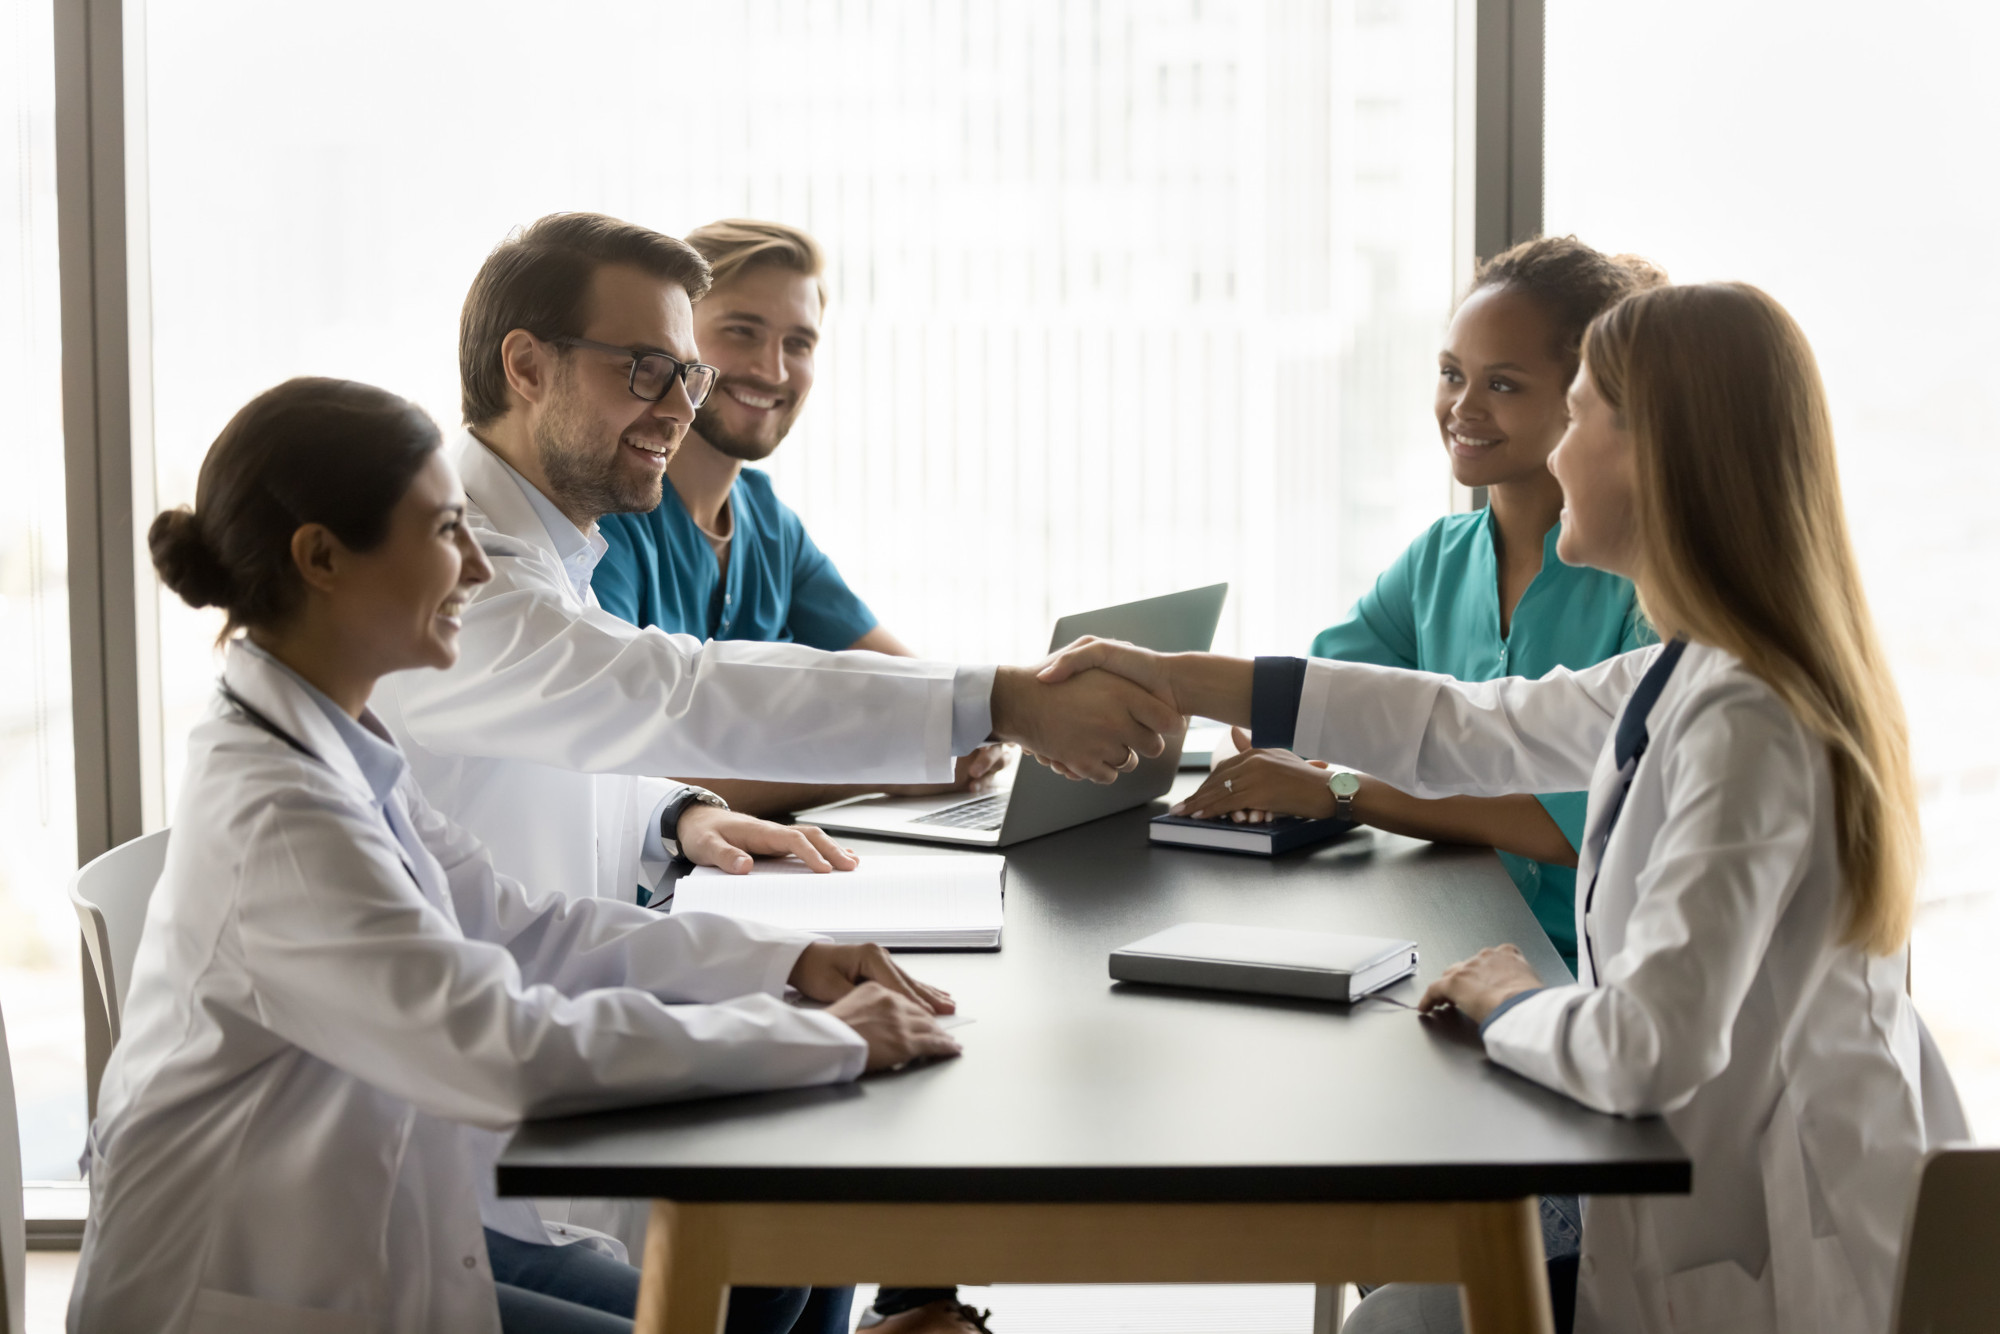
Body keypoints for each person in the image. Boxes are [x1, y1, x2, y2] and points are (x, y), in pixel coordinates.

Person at [1038, 283, 1967, 1334]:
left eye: (1577, 417)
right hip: (1706, 1215)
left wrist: (1506, 998)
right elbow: (1463, 725)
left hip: (1777, 1266)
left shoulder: (1746, 720)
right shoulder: (1688, 673)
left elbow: (1646, 1045)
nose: (1555, 454)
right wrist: (1177, 676)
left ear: (1658, 455)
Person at [366, 211, 1179, 1305]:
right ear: (526, 364)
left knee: (808, 1221)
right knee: (781, 1235)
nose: (679, 408)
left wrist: (680, 820)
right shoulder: (456, 571)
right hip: (443, 1161)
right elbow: (671, 688)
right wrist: (997, 700)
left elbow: (546, 791)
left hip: (552, 1034)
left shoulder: (563, 545)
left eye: (685, 380)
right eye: (651, 369)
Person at [69, 378, 963, 1334]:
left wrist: (783, 963)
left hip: (374, 1223)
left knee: (785, 1254)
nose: (478, 571)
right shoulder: (279, 814)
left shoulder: (331, 736)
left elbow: (515, 922)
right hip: (255, 1290)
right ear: (322, 557)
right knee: (755, 1272)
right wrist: (822, 1036)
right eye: (445, 531)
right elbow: (499, 1051)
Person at [1187, 236, 1663, 974]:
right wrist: (1255, 756)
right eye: (1450, 374)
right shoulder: (1439, 559)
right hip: (1451, 934)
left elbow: (1571, 825)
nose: (1462, 407)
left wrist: (1338, 793)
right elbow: (1308, 705)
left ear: (1581, 403)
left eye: (1503, 384)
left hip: (1581, 971)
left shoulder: (1642, 590)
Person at [593, 218, 1003, 819]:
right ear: (677, 341)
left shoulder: (766, 521)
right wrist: (887, 763)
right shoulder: (607, 519)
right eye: (742, 331)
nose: (773, 370)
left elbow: (917, 688)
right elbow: (628, 773)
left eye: (799, 343)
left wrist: (984, 728)